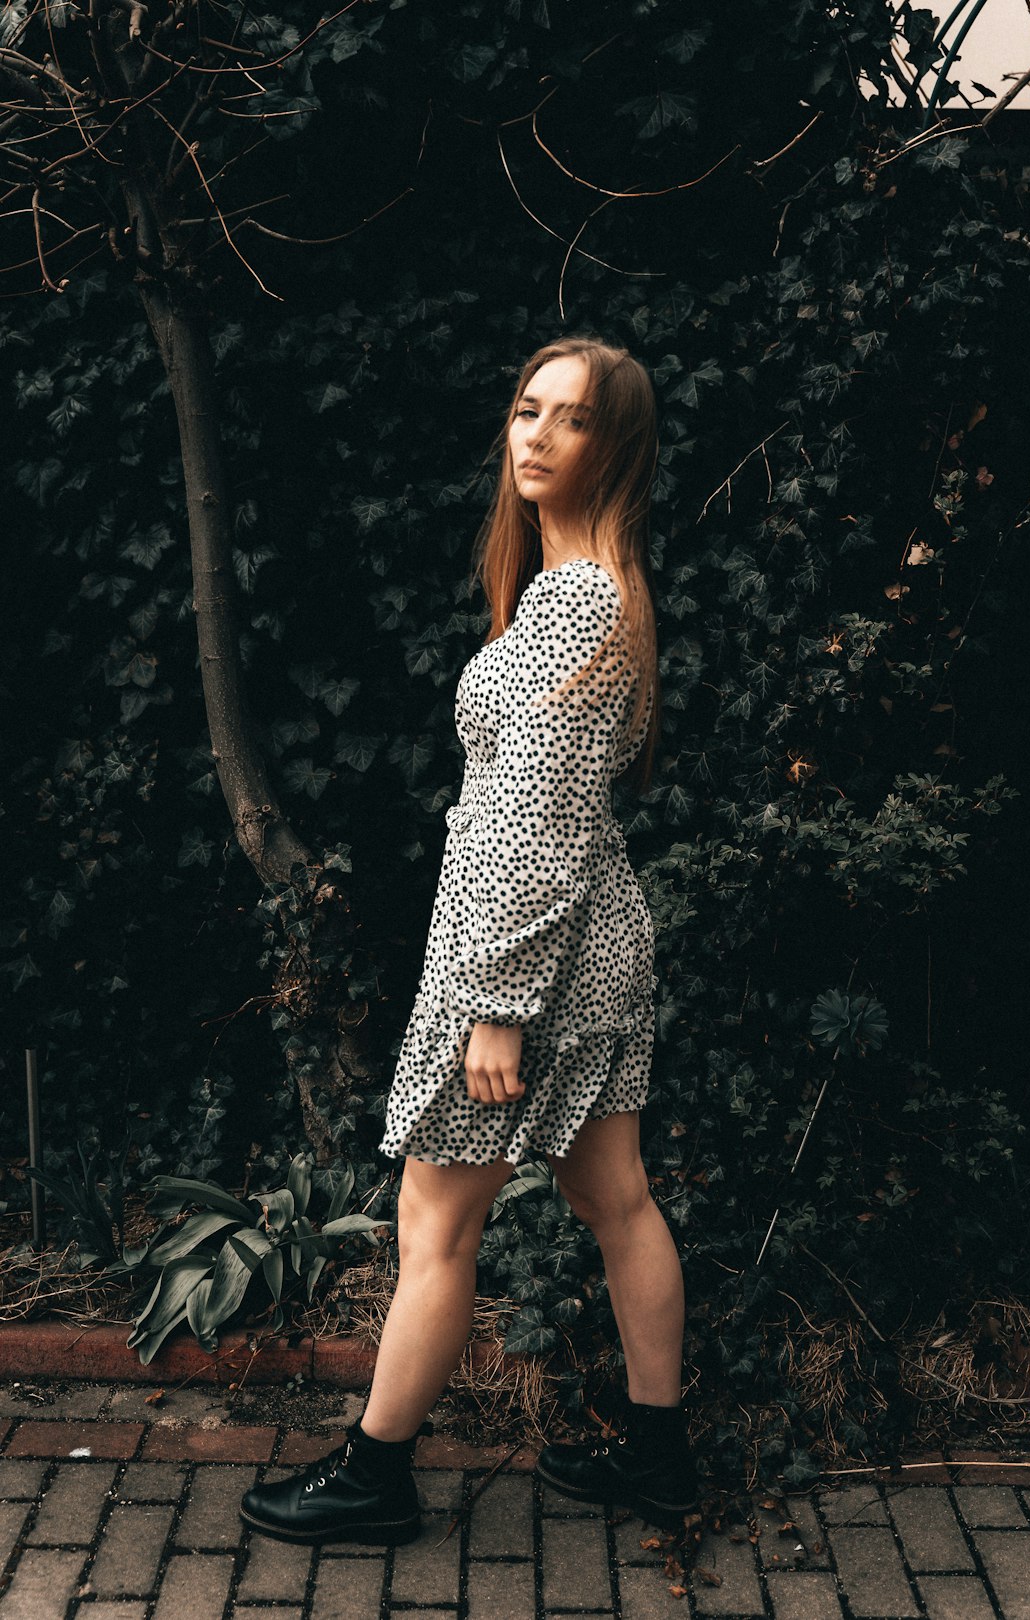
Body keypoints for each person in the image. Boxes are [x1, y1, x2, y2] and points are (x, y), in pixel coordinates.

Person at [239, 335, 698, 1548]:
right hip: (588, 945)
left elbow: (536, 814)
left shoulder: (577, 603)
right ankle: (662, 1458)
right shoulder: (601, 590)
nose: (537, 434)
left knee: (435, 1224)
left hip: (527, 960)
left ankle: (375, 1473)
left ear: (620, 446)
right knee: (619, 1200)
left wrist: (497, 999)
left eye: (574, 419)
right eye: (525, 408)